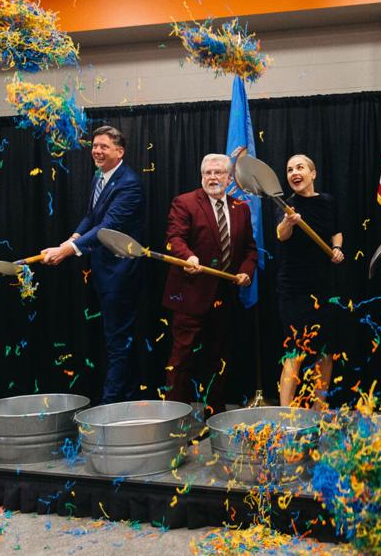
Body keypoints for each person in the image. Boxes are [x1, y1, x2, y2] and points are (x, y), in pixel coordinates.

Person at [42, 125, 145, 404]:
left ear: (119, 152)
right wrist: (72, 238)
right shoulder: (99, 177)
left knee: (118, 342)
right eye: (95, 146)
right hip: (103, 272)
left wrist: (66, 250)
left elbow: (107, 227)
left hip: (120, 275)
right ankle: (129, 398)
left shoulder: (129, 184)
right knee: (118, 338)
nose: (97, 151)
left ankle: (110, 406)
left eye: (104, 147)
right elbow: (92, 217)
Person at [161, 153, 256, 417]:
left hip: (223, 297)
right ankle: (174, 417)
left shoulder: (241, 208)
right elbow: (174, 238)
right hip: (189, 294)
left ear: (229, 178)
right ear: (201, 176)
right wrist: (187, 257)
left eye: (218, 173)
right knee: (181, 360)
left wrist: (246, 273)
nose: (212, 177)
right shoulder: (185, 203)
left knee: (218, 359)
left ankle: (215, 414)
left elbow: (250, 249)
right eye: (208, 173)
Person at [274, 154, 344, 408]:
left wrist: (337, 249)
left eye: (300, 167)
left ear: (312, 174)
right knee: (295, 351)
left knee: (325, 351)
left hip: (325, 287)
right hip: (294, 290)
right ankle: (285, 413)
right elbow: (281, 236)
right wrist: (288, 222)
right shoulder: (286, 206)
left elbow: (336, 232)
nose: (294, 172)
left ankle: (318, 410)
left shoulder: (328, 202)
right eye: (290, 168)